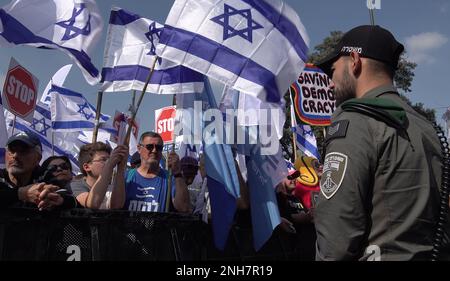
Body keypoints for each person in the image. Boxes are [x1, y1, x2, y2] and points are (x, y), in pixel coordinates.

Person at [314, 25, 442, 260]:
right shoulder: (427, 127)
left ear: (354, 61)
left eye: (332, 71)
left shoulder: (355, 120)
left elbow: (336, 240)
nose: (331, 83)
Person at [0, 132, 76, 210]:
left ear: (38, 158)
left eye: (23, 151)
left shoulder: (46, 179)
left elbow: (73, 201)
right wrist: (22, 194)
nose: (15, 156)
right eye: (11, 150)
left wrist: (58, 200)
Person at [123, 132, 190, 213]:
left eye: (158, 147)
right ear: (139, 148)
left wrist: (178, 173)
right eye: (149, 147)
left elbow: (184, 208)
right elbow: (115, 207)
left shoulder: (169, 178)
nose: (154, 151)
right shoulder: (127, 177)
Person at [70, 142, 128, 209]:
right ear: (87, 167)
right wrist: (109, 165)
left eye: (109, 159)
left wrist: (120, 167)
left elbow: (117, 206)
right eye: (103, 160)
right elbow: (92, 203)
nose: (108, 162)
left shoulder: (112, 186)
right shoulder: (76, 185)